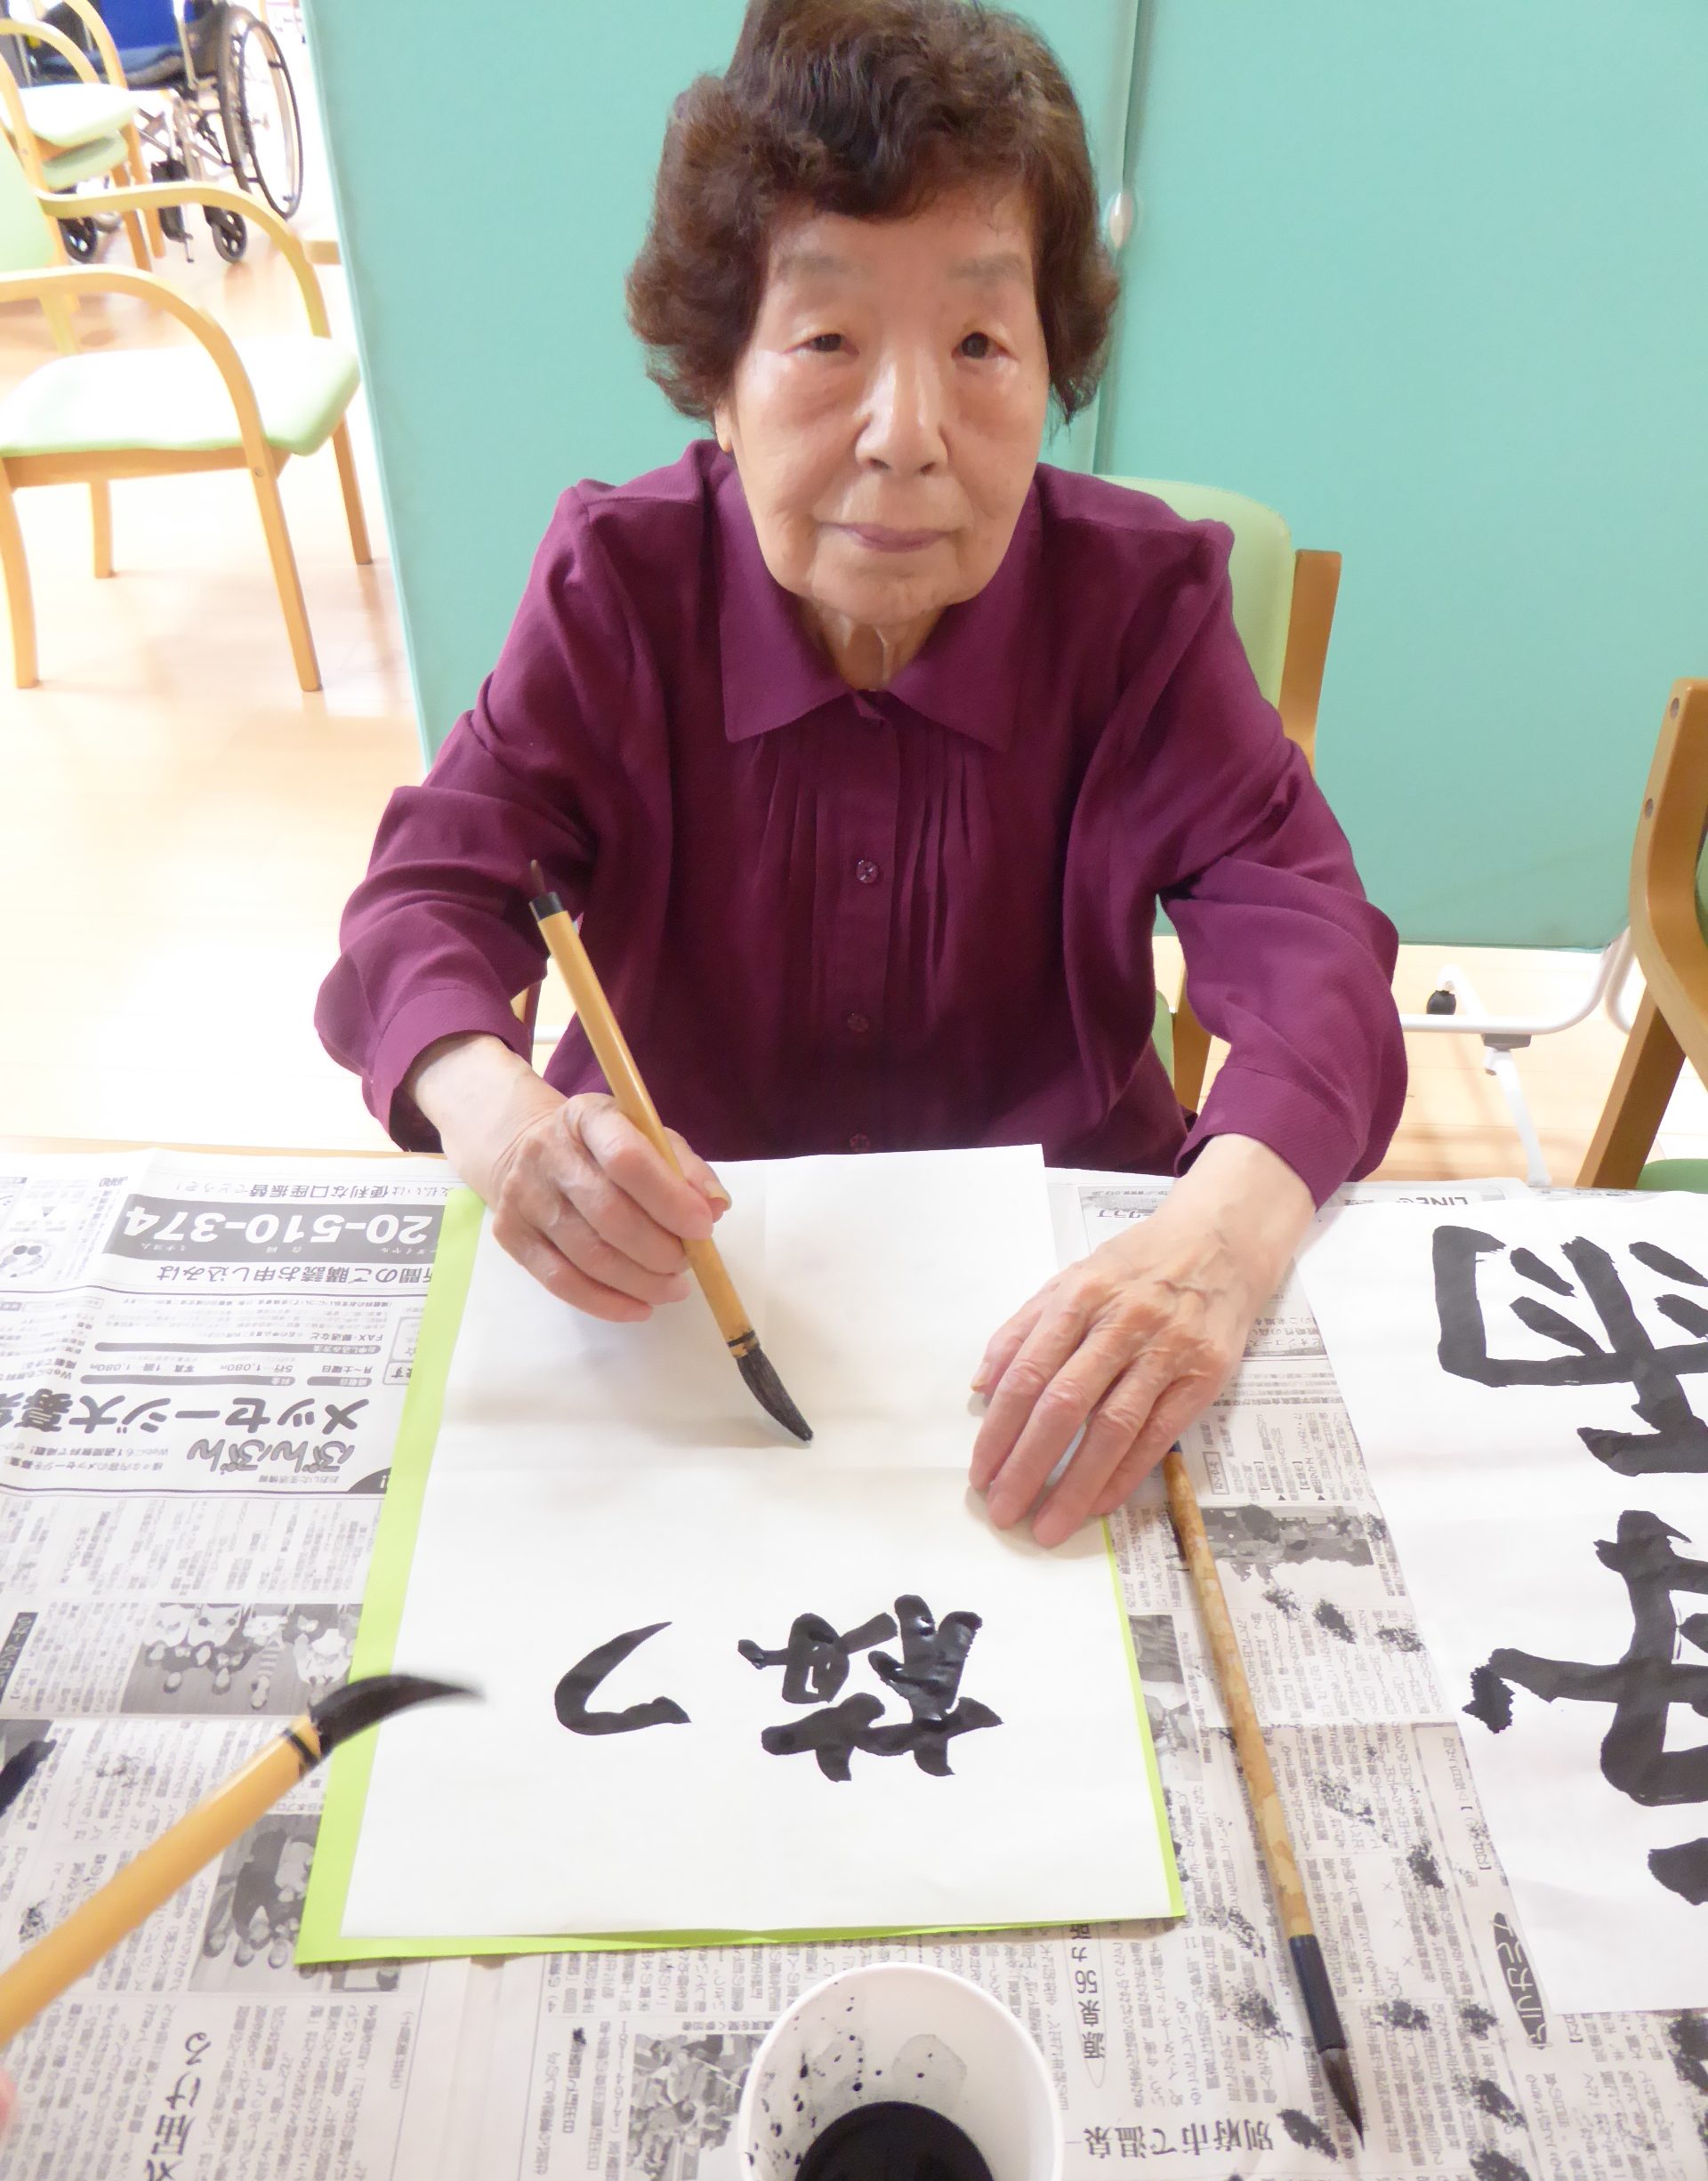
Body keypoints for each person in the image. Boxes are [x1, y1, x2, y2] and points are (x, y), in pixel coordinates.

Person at [318, 0, 1405, 1548]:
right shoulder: (619, 584)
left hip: (1057, 1286)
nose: (908, 435)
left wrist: (1219, 1244)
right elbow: (427, 896)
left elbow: (1310, 940)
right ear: (718, 376)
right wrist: (501, 1121)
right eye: (827, 342)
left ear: (1053, 370)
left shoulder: (1143, 605)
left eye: (980, 345)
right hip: (674, 1286)